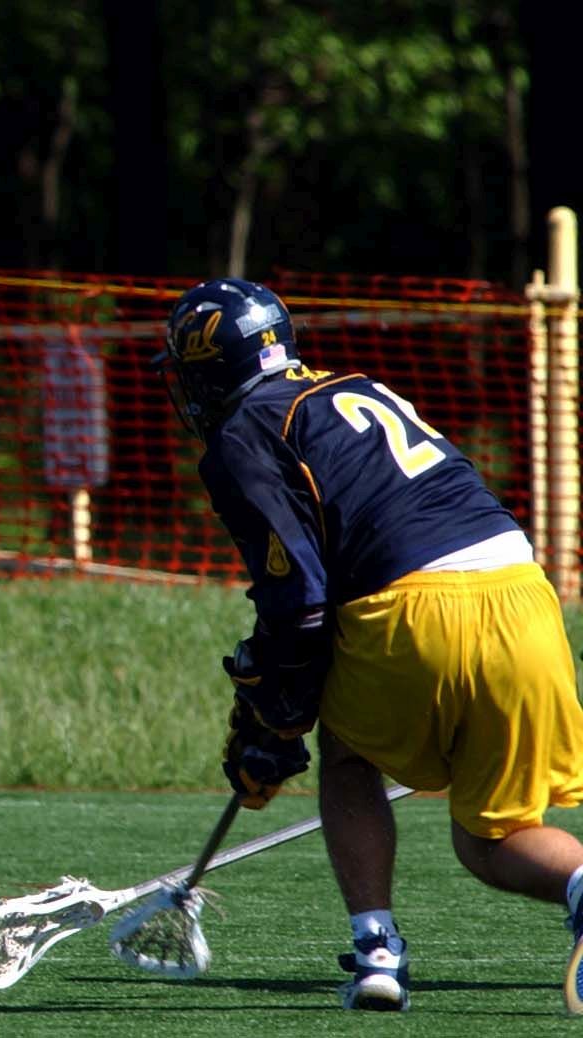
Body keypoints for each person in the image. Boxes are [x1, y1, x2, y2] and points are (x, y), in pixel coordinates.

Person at [154, 277, 583, 1013]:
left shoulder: (243, 431)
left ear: (211, 370)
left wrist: (275, 715)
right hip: (526, 602)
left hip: (412, 612)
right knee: (493, 838)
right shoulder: (356, 387)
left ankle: (377, 951)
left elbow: (301, 603)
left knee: (349, 754)